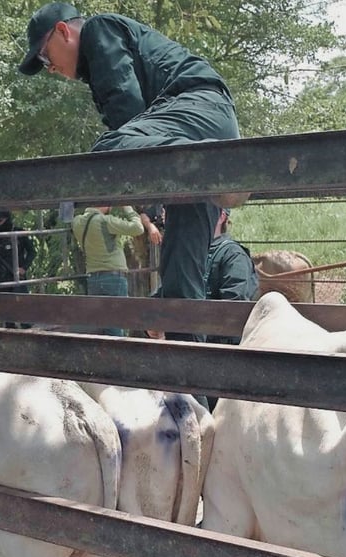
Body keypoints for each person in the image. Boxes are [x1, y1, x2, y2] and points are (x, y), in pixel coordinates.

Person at [18, 2, 247, 342]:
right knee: (180, 281)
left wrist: (132, 188)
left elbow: (126, 111)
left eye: (44, 56)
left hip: (197, 109)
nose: (49, 68)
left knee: (105, 153)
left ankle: (215, 169)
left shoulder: (98, 31)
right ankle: (191, 372)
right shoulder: (102, 54)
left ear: (63, 31)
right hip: (201, 131)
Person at [73, 205, 145, 335]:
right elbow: (138, 228)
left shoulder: (77, 222)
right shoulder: (106, 221)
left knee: (99, 325)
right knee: (116, 324)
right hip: (114, 278)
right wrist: (128, 208)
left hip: (93, 279)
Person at [204, 208, 259, 345]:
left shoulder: (234, 256)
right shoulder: (193, 254)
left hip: (220, 345)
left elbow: (233, 306)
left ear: (222, 216)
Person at [0, 210, 36, 293]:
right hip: (1, 278)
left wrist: (24, 267)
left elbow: (32, 252)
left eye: (0, 220)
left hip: (18, 276)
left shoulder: (20, 233)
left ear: (7, 219)